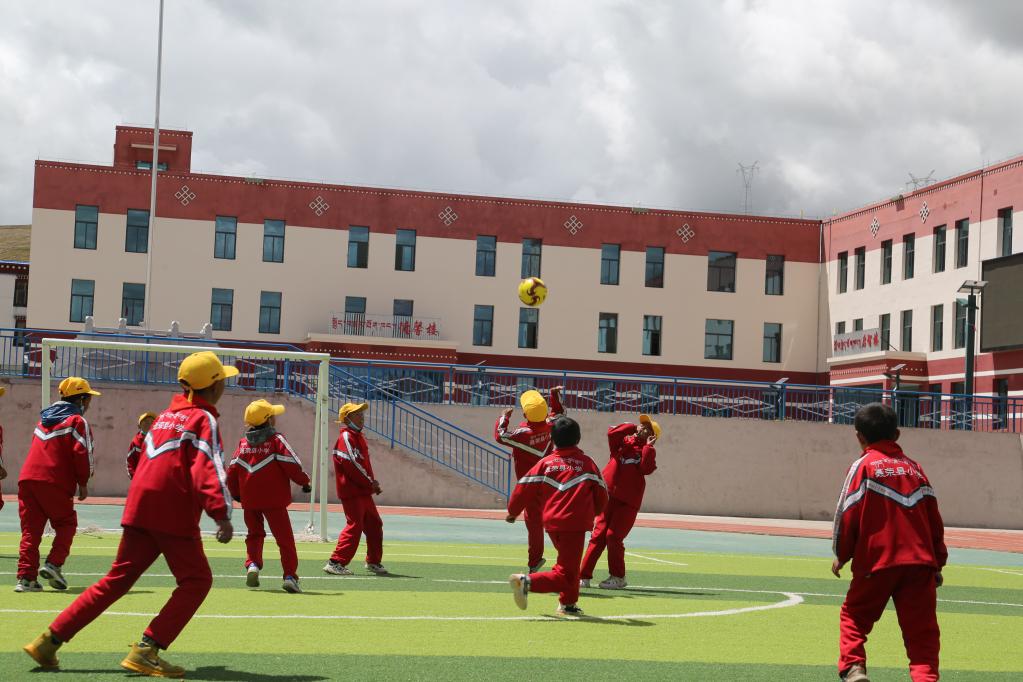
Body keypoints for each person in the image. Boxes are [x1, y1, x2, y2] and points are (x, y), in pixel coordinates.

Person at [23, 351, 237, 677]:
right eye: (222, 378)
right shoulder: (202, 418)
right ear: (214, 385)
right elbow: (207, 464)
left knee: (115, 581)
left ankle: (48, 641)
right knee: (197, 581)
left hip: (139, 507)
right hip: (172, 508)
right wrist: (221, 513)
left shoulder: (165, 416)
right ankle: (148, 649)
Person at [832, 402, 947, 682]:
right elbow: (933, 517)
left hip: (877, 561)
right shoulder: (915, 469)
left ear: (859, 436)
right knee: (922, 631)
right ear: (897, 435)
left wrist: (842, 553)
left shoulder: (863, 467)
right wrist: (937, 562)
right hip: (920, 563)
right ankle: (925, 678)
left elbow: (847, 513)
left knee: (854, 616)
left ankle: (854, 667)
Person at [506, 416, 607, 617]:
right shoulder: (587, 463)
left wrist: (513, 510)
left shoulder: (546, 463)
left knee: (568, 565)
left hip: (552, 523)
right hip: (575, 523)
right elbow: (601, 493)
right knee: (567, 574)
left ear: (553, 439)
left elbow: (523, 487)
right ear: (578, 438)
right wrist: (595, 512)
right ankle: (525, 582)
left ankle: (568, 603)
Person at [15, 377, 98, 593]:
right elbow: (83, 453)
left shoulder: (43, 420)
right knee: (66, 524)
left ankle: (26, 579)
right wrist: (84, 482)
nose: (89, 404)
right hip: (53, 480)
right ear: (81, 399)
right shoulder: (77, 421)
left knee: (31, 531)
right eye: (88, 399)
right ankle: (54, 564)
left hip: (27, 480)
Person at [227, 399, 311, 593]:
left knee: (254, 534)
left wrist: (236, 494)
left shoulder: (243, 444)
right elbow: (291, 463)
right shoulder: (276, 440)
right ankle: (290, 576)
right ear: (269, 420)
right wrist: (305, 481)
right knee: (284, 539)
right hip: (274, 500)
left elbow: (231, 471)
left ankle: (253, 565)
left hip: (249, 500)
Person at [580, 414, 660, 589]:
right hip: (608, 496)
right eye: (642, 425)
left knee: (613, 537)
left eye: (648, 428)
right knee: (598, 536)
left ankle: (618, 577)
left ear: (652, 436)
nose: (642, 428)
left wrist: (648, 447)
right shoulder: (623, 443)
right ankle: (583, 577)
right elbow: (612, 433)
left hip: (628, 502)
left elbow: (646, 468)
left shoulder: (647, 452)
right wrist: (632, 427)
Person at [494, 386, 564, 572]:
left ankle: (535, 561)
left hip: (530, 484)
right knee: (551, 520)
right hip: (549, 481)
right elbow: (559, 412)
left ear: (525, 414)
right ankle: (566, 556)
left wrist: (504, 417)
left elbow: (500, 435)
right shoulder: (550, 424)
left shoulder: (522, 434)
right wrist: (554, 395)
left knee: (534, 524)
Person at [323, 402, 387, 576]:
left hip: (363, 491)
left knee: (374, 524)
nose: (362, 416)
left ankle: (373, 561)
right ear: (347, 418)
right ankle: (335, 561)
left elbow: (362, 465)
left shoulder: (358, 437)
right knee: (355, 526)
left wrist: (371, 483)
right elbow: (350, 464)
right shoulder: (346, 437)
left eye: (361, 413)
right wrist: (370, 483)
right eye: (357, 414)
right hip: (352, 491)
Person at [126, 412, 157, 480]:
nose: (149, 423)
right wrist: (134, 478)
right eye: (145, 421)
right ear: (139, 426)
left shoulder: (159, 438)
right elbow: (130, 462)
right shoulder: (136, 442)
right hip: (141, 479)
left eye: (152, 421)